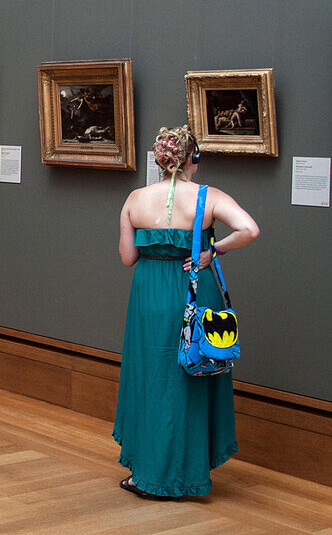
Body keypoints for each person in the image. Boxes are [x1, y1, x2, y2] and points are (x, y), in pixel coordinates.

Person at [114, 125, 259, 498]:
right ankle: (188, 474)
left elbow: (128, 258)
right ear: (192, 158)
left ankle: (148, 473)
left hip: (149, 297)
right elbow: (249, 229)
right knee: (192, 375)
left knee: (152, 378)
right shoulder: (208, 197)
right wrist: (214, 252)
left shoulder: (135, 199)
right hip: (194, 292)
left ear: (160, 159)